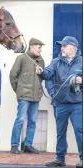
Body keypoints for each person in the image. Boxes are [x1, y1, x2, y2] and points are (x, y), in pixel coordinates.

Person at [36, 36, 82, 168]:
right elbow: (48, 74)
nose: (61, 48)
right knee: (60, 132)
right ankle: (60, 159)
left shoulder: (82, 61)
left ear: (72, 47)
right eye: (61, 46)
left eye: (64, 45)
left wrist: (81, 81)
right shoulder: (56, 62)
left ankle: (83, 158)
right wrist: (41, 72)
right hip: (60, 104)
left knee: (80, 130)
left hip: (77, 104)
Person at [9, 38, 45, 154]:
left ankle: (28, 145)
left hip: (36, 96)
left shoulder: (41, 60)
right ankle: (14, 145)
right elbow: (12, 76)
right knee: (19, 120)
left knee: (32, 121)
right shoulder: (21, 58)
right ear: (32, 46)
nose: (40, 50)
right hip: (24, 96)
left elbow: (42, 78)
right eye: (39, 48)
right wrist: (19, 91)